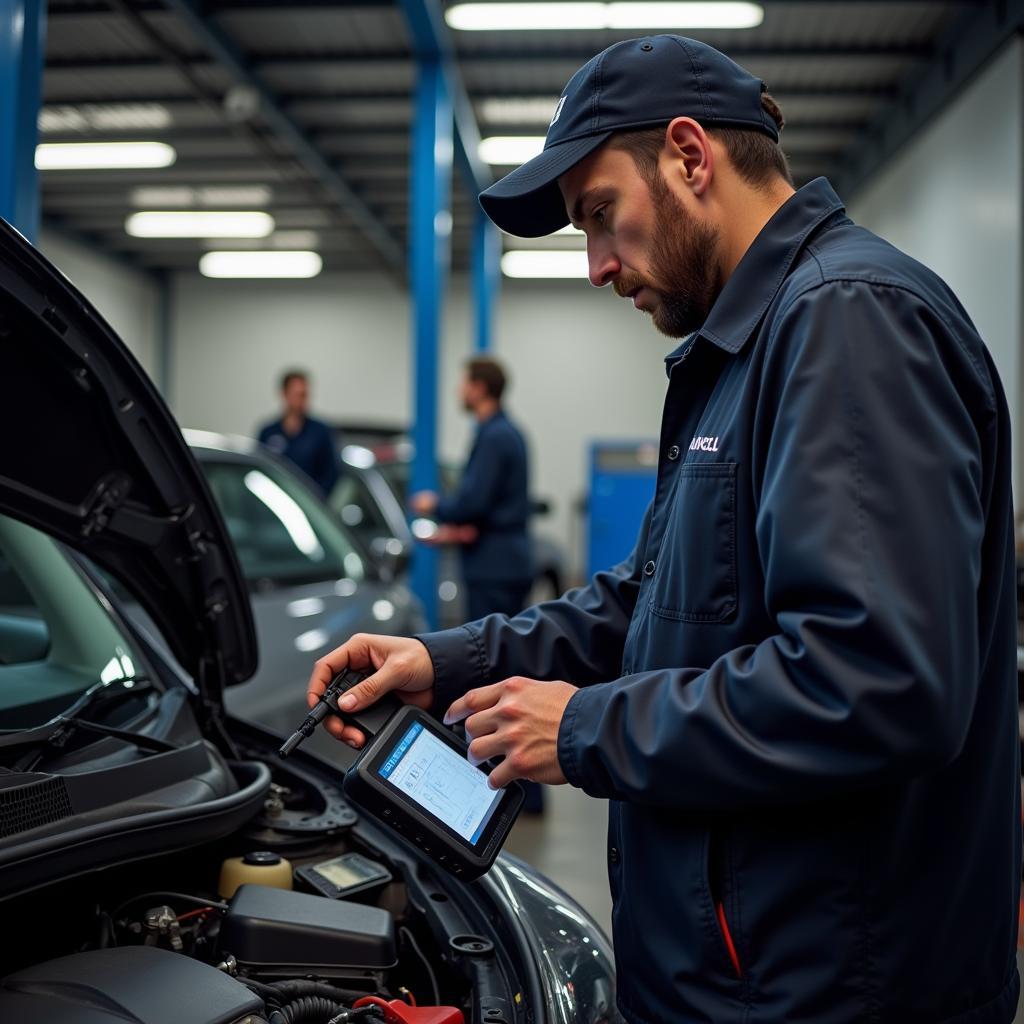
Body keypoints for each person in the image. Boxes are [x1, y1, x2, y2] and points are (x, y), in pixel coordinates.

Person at [307, 35, 1020, 1024]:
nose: (597, 265)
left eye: (601, 215)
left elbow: (877, 680)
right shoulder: (742, 350)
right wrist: (445, 658)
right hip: (742, 973)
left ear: (690, 156)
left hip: (828, 989)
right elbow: (652, 600)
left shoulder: (847, 321)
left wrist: (587, 727)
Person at [411, 357, 542, 813]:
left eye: (464, 382)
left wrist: (438, 505)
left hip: (495, 568)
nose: (459, 391)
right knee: (506, 671)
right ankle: (519, 783)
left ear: (480, 387)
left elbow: (473, 501)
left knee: (498, 673)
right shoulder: (505, 432)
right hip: (499, 560)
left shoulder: (495, 435)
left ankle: (520, 789)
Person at [257, 369, 340, 496]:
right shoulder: (268, 432)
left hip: (310, 502)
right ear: (284, 394)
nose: (302, 400)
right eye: (298, 395)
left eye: (305, 395)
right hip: (275, 499)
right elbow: (260, 469)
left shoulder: (320, 432)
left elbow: (331, 474)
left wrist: (317, 499)